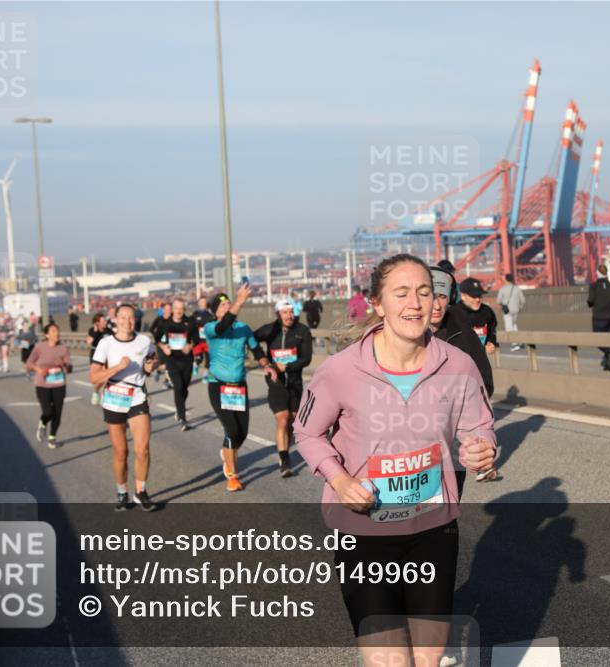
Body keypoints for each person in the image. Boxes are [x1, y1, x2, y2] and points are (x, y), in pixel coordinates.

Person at [294, 253, 496, 665]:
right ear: (377, 303)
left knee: (427, 660)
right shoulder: (340, 370)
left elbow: (480, 427)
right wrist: (338, 479)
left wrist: (483, 448)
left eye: (425, 292)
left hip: (433, 532)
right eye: (401, 293)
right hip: (363, 533)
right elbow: (307, 431)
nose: (416, 304)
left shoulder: (457, 365)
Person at [203, 285, 278, 492]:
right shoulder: (210, 329)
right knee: (232, 430)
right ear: (215, 311)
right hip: (218, 385)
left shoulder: (243, 328)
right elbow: (223, 325)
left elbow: (256, 349)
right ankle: (233, 476)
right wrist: (239, 302)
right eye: (223, 305)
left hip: (238, 387)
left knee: (242, 433)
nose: (227, 307)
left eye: (229, 303)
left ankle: (227, 452)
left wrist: (266, 365)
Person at [429, 263, 497, 490]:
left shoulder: (462, 332)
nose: (437, 305)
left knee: (447, 507)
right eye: (430, 296)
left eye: (442, 297)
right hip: (410, 441)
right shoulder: (397, 334)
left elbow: (484, 382)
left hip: (451, 436)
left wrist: (466, 420)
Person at [89, 303, 159, 511]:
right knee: (121, 452)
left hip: (137, 397)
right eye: (123, 317)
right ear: (116, 319)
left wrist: (151, 366)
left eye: (131, 317)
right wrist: (117, 367)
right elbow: (93, 377)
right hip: (114, 399)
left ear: (135, 320)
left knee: (143, 449)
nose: (127, 321)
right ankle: (122, 492)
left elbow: (153, 360)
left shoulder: (144, 341)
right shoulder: (106, 344)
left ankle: (141, 491)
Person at [254, 299, 313, 477]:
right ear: (278, 314)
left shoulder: (302, 331)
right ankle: (284, 460)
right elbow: (251, 340)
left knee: (292, 420)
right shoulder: (270, 330)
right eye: (284, 312)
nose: (289, 316)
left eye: (291, 312)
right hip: (275, 381)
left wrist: (287, 367)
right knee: (282, 418)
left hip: (294, 381)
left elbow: (307, 358)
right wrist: (264, 361)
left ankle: (285, 448)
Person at [26, 323, 73, 448]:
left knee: (57, 412)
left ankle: (52, 438)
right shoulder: (40, 347)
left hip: (59, 383)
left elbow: (69, 369)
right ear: (47, 334)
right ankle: (43, 423)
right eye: (53, 331)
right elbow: (29, 362)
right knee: (47, 412)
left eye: (57, 330)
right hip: (43, 383)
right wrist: (38, 370)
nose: (56, 333)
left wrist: (63, 363)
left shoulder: (63, 348)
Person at [155, 297, 199, 431]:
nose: (179, 311)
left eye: (181, 309)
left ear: (184, 310)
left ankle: (179, 409)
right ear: (172, 309)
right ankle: (183, 419)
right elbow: (157, 338)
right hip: (172, 360)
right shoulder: (165, 323)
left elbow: (196, 339)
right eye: (176, 308)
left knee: (184, 389)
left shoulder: (190, 322)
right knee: (178, 386)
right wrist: (163, 348)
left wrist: (190, 346)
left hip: (186, 360)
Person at [587, 263, 610, 371]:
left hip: (599, 317)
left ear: (597, 273)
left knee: (599, 341)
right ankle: (609, 365)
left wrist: (591, 304)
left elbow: (590, 300)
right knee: (607, 340)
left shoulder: (594, 286)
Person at [456, 277, 499, 356]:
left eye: (479, 295)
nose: (477, 299)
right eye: (473, 296)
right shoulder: (453, 314)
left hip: (481, 360)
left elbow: (492, 330)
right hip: (460, 360)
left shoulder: (487, 312)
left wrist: (491, 342)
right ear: (463, 296)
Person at [496, 273, 526, 351]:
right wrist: (520, 307)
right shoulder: (516, 288)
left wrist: (503, 303)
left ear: (506, 279)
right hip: (516, 310)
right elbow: (523, 300)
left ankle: (514, 344)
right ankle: (519, 342)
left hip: (507, 311)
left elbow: (498, 300)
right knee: (514, 326)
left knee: (509, 327)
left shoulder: (503, 289)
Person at [86, 313, 108, 405]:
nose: (105, 322)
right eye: (103, 321)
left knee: (106, 378)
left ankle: (104, 394)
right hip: (95, 357)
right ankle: (95, 392)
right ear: (97, 322)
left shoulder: (108, 331)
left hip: (107, 357)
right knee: (99, 379)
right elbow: (89, 342)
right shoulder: (92, 330)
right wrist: (95, 331)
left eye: (105, 320)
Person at [149, 303, 173, 389]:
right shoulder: (159, 319)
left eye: (170, 309)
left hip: (170, 345)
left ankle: (165, 379)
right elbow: (151, 329)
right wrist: (156, 337)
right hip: (160, 345)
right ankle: (161, 375)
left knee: (169, 364)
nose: (168, 311)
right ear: (163, 310)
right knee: (166, 364)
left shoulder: (173, 319)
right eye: (166, 309)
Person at [191, 296, 215, 378]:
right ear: (198, 303)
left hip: (207, 341)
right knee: (199, 357)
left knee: (209, 359)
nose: (203, 304)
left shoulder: (210, 315)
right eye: (201, 302)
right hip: (198, 340)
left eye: (204, 302)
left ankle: (205, 375)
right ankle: (196, 364)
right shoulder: (195, 314)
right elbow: (190, 326)